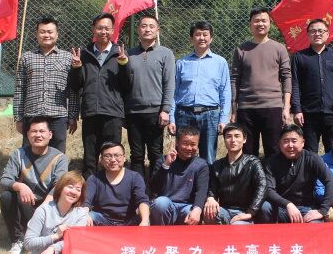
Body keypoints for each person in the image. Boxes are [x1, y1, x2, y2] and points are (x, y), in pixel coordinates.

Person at [69, 13, 132, 178]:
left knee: (112, 156)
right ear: (93, 30)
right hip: (90, 112)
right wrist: (76, 68)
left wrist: (124, 65)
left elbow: (127, 85)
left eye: (107, 28)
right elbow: (75, 85)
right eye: (99, 28)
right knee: (90, 158)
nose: (103, 31)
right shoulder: (84, 54)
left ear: (112, 30)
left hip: (113, 113)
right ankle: (90, 189)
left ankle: (112, 188)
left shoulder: (120, 53)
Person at [0, 118, 69, 254]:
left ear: (50, 134)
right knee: (6, 196)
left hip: (48, 206)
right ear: (27, 134)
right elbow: (5, 180)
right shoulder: (18, 154)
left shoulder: (59, 158)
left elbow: (60, 185)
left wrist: (44, 206)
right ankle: (17, 239)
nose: (38, 135)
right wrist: (20, 186)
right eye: (34, 131)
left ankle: (40, 236)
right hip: (27, 201)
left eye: (42, 131)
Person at [230, 7, 292, 157]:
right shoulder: (241, 50)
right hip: (246, 107)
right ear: (250, 25)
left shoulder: (279, 48)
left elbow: (286, 77)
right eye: (256, 21)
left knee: (274, 150)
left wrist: (286, 107)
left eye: (264, 20)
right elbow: (234, 79)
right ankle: (251, 174)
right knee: (248, 152)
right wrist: (234, 109)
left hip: (273, 106)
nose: (260, 24)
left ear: (270, 23)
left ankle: (272, 174)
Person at [12, 16, 79, 153]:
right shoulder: (26, 57)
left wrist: (72, 115)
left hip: (58, 116)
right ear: (36, 34)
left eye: (50, 32)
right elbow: (20, 89)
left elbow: (73, 90)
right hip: (32, 115)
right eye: (42, 32)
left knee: (57, 155)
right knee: (30, 155)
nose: (46, 35)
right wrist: (18, 118)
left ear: (57, 34)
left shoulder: (67, 58)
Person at [169, 21, 231, 164]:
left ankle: (207, 179)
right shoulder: (181, 63)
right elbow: (173, 92)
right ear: (191, 39)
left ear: (211, 38)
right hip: (184, 114)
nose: (201, 38)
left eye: (205, 34)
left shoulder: (220, 62)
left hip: (210, 114)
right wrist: (172, 118)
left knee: (208, 156)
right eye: (197, 34)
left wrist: (223, 119)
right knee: (183, 154)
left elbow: (225, 92)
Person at [125, 15, 175, 180]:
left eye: (151, 26)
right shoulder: (128, 54)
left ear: (157, 30)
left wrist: (165, 109)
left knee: (155, 153)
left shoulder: (166, 54)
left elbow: (169, 84)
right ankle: (138, 190)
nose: (147, 29)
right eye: (144, 26)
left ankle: (155, 188)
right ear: (138, 30)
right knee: (136, 154)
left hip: (155, 112)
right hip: (133, 112)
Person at [290, 19, 333, 154]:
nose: (317, 34)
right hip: (308, 113)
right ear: (308, 35)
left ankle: (331, 170)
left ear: (327, 34)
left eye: (321, 31)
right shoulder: (299, 57)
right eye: (313, 31)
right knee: (309, 152)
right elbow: (295, 84)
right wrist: (297, 109)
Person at [263, 124, 333, 224]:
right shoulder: (271, 162)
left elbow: (331, 181)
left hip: (306, 209)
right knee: (265, 207)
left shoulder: (312, 159)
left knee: (315, 225)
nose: (290, 145)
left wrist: (323, 210)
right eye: (286, 141)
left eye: (294, 141)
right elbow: (268, 189)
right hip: (281, 207)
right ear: (279, 143)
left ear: (303, 143)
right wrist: (288, 204)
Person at [203, 123, 269, 225]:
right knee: (208, 213)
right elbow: (212, 188)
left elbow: (262, 186)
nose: (233, 140)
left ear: (244, 139)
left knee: (236, 226)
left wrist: (251, 212)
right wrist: (211, 197)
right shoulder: (217, 165)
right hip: (224, 210)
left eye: (237, 136)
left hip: (245, 211)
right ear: (224, 140)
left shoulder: (253, 162)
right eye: (229, 136)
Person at [23, 171, 90, 254]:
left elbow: (76, 240)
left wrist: (53, 248)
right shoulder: (43, 210)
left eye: (78, 189)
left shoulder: (81, 214)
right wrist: (55, 236)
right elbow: (28, 243)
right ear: (60, 188)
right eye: (70, 187)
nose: (74, 192)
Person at [148, 127, 210, 225]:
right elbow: (153, 188)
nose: (189, 148)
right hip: (167, 205)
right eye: (185, 143)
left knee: (193, 212)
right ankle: (161, 233)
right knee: (160, 203)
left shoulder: (201, 165)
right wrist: (166, 165)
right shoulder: (163, 161)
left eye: (193, 144)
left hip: (187, 206)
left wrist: (197, 209)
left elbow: (202, 191)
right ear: (177, 142)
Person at [85, 141, 150, 226]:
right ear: (101, 160)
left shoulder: (135, 177)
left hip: (129, 221)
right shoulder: (94, 179)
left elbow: (142, 200)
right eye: (107, 156)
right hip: (103, 221)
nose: (113, 160)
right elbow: (86, 201)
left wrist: (145, 221)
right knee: (87, 216)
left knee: (147, 216)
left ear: (124, 158)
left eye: (117, 155)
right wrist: (84, 215)